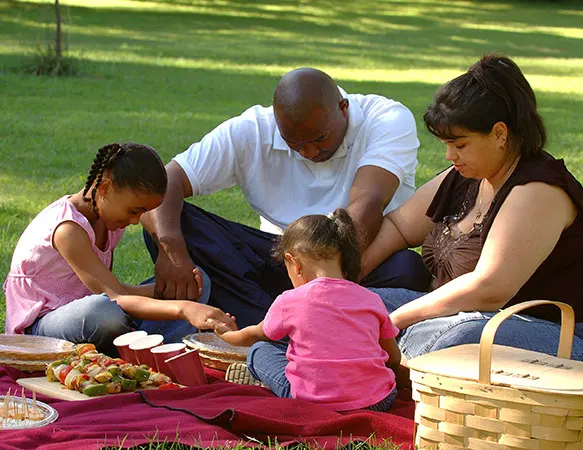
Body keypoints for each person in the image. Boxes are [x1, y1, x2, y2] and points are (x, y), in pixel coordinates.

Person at [141, 67, 431, 329]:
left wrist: (325, 284)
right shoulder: (253, 129)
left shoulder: (386, 118)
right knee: (174, 221)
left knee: (406, 269)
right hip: (280, 257)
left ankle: (274, 322)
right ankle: (279, 323)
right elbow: (166, 182)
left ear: (343, 108)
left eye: (319, 139)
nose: (308, 152)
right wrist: (172, 250)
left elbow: (367, 205)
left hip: (352, 260)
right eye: (294, 143)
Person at [361, 54, 583, 366]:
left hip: (569, 336)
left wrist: (394, 321)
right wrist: (344, 282)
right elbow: (399, 227)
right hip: (473, 316)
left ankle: (372, 365)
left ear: (500, 134)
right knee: (356, 306)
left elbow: (490, 289)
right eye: (446, 145)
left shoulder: (539, 190)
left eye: (460, 145)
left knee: (451, 339)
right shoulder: (467, 175)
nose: (449, 156)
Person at [3, 143, 235, 355]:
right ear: (105, 188)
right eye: (134, 211)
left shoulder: (108, 217)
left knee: (191, 282)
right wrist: (183, 308)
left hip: (100, 307)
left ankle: (149, 354)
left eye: (142, 212)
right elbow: (115, 297)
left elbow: (117, 291)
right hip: (42, 327)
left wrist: (169, 270)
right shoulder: (68, 229)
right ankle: (141, 351)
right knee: (103, 312)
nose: (135, 221)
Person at [211, 208, 402, 412]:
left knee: (260, 350)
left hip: (313, 402)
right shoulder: (371, 299)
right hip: (377, 401)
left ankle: (266, 380)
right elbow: (394, 358)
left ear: (294, 263)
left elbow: (254, 335)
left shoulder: (290, 300)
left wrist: (227, 334)